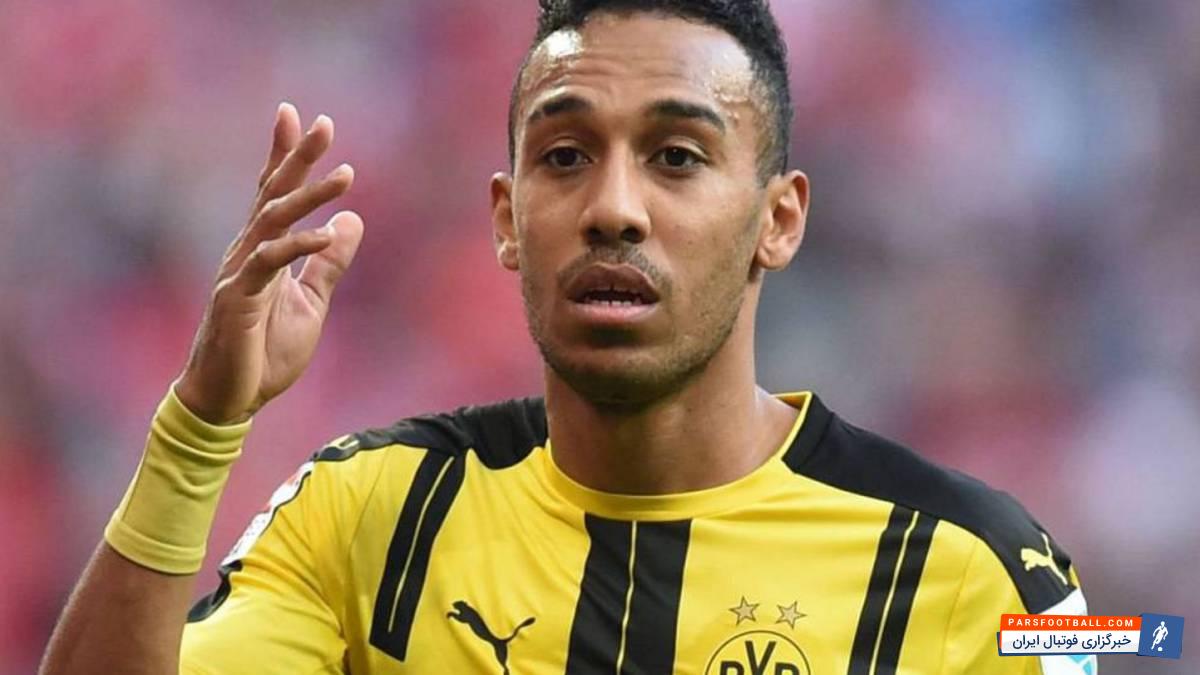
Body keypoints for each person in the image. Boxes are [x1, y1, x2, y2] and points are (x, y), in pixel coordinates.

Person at [40, 1, 1091, 673]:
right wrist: (199, 427)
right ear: (506, 220)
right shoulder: (371, 518)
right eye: (565, 156)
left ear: (778, 219)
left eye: (677, 157)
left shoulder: (979, 566)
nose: (615, 208)